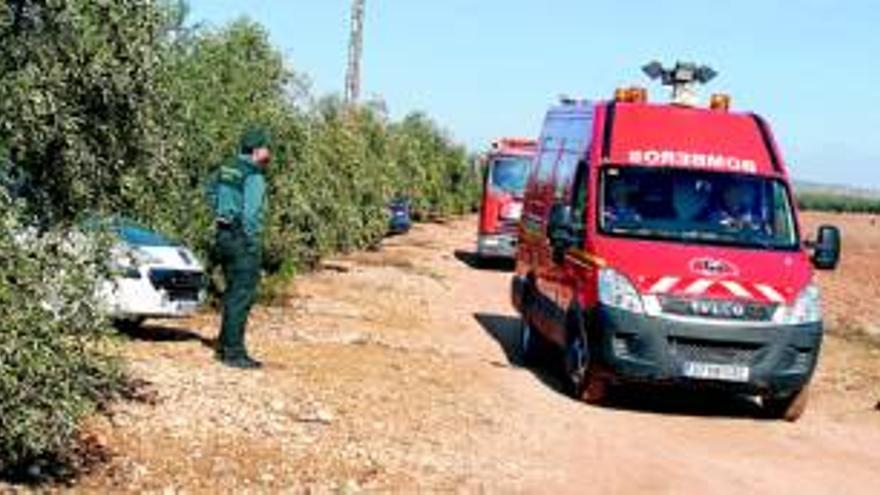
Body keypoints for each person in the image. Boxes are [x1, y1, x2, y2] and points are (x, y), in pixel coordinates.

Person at [209, 127, 271, 369]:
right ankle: (234, 353)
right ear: (257, 151)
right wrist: (252, 241)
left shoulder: (227, 167)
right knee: (241, 295)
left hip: (223, 234)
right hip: (241, 239)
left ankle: (225, 346)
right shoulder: (254, 175)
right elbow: (252, 214)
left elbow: (210, 190)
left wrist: (221, 212)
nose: (269, 153)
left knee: (232, 293)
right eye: (266, 148)